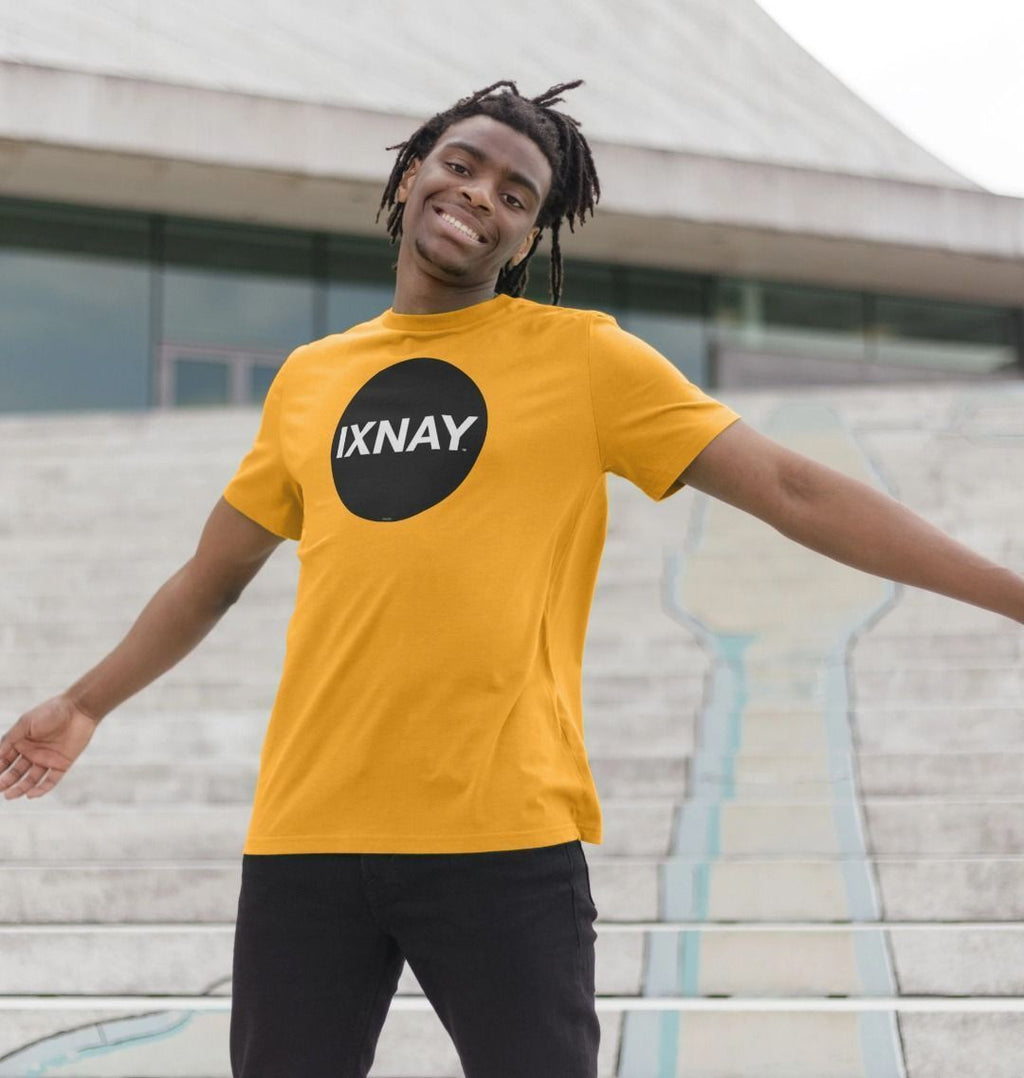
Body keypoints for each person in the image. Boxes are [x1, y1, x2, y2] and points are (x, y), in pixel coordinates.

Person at [1, 79, 1021, 1078]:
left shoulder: (583, 360)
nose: (481, 194)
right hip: (307, 832)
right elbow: (210, 577)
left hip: (501, 836)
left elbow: (795, 489)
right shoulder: (312, 377)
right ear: (408, 179)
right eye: (461, 165)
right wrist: (87, 702)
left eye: (516, 194)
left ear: (527, 240)